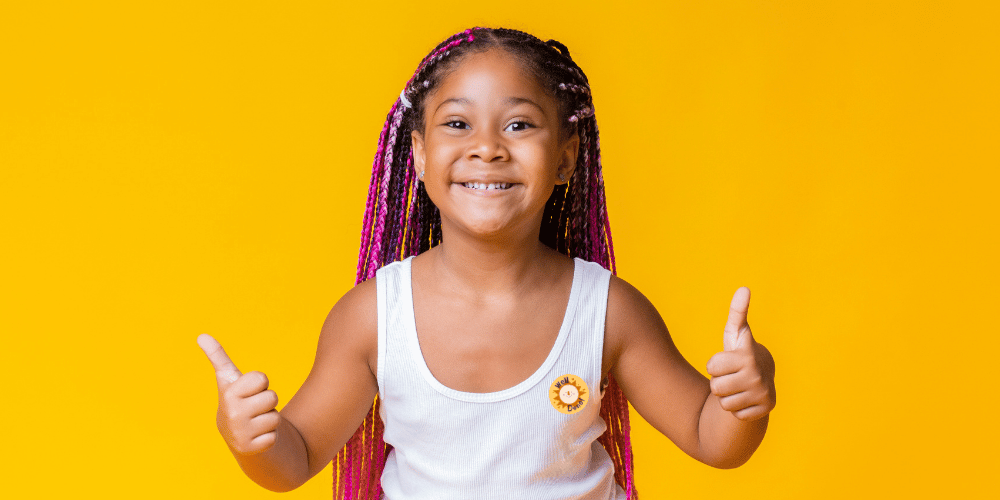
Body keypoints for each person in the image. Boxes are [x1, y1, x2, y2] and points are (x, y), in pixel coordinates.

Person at [197, 27, 776, 500]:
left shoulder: (609, 310)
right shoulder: (373, 317)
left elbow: (712, 440)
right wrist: (251, 440)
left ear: (566, 159)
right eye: (457, 123)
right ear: (420, 156)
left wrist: (743, 403)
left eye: (519, 124)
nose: (488, 147)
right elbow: (294, 460)